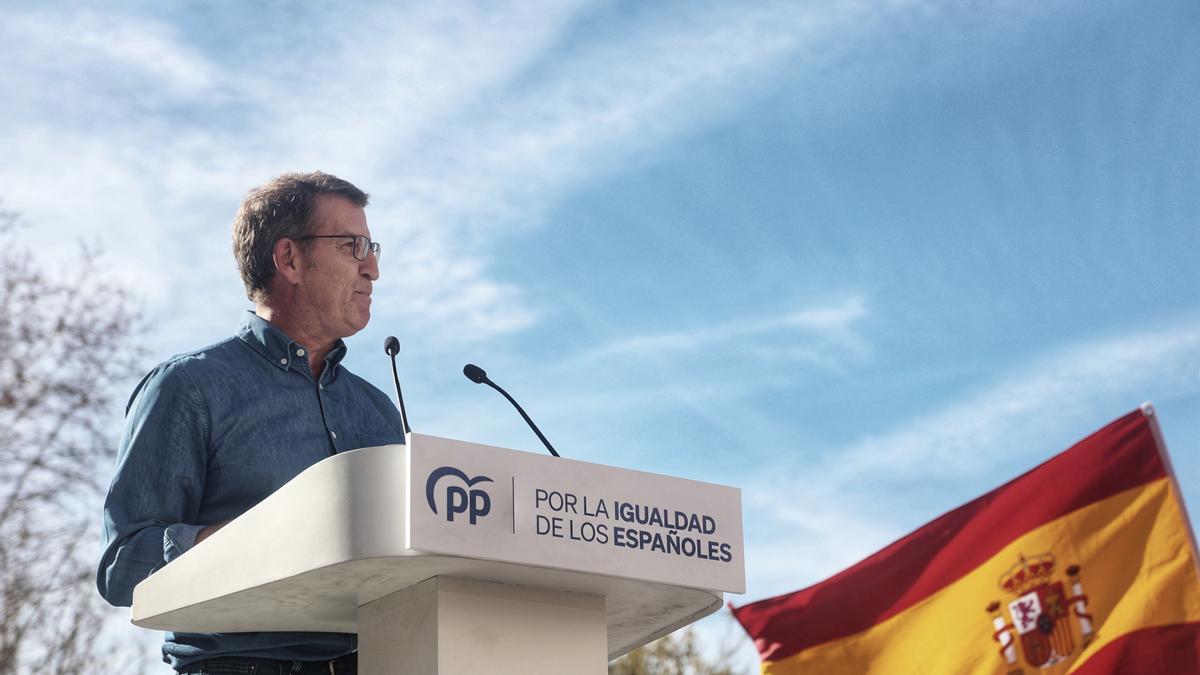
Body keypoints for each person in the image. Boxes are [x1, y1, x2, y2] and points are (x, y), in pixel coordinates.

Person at [97, 171, 405, 674]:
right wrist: (255, 538)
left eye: (372, 247)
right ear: (288, 259)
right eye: (353, 246)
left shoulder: (377, 410)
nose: (372, 268)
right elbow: (122, 567)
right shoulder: (189, 388)